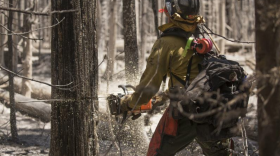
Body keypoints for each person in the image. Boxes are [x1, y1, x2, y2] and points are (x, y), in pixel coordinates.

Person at [121, 0, 234, 155]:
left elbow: (148, 86)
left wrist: (129, 103)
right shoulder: (202, 36)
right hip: (214, 110)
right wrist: (162, 97)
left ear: (171, 12)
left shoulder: (166, 43)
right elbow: (192, 76)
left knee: (156, 152)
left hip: (187, 112)